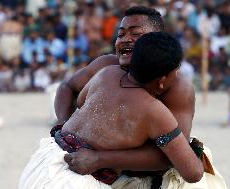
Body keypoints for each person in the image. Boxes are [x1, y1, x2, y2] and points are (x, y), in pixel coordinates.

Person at [55, 6, 227, 189]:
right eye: (121, 34)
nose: (126, 39)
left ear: (156, 39)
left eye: (135, 34)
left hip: (139, 174)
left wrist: (100, 159)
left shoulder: (176, 87)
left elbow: (173, 157)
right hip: (79, 163)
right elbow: (66, 87)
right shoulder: (107, 66)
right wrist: (66, 129)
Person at [19, 32, 204, 189]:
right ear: (163, 79)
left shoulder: (106, 74)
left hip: (44, 161)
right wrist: (192, 150)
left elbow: (82, 102)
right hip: (75, 181)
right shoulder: (155, 112)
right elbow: (193, 173)